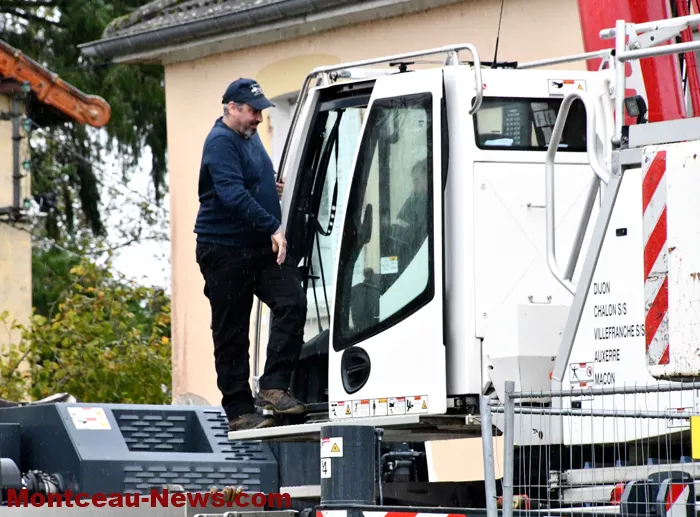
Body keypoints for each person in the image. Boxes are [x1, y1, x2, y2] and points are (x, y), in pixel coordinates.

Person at [194, 78, 308, 431]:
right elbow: (230, 194)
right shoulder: (220, 142)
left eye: (260, 111)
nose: (259, 118)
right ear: (232, 108)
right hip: (223, 249)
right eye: (253, 111)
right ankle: (240, 411)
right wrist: (273, 227)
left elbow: (246, 181)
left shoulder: (248, 136)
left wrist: (267, 186)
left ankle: (273, 386)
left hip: (256, 246)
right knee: (232, 332)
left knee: (292, 302)